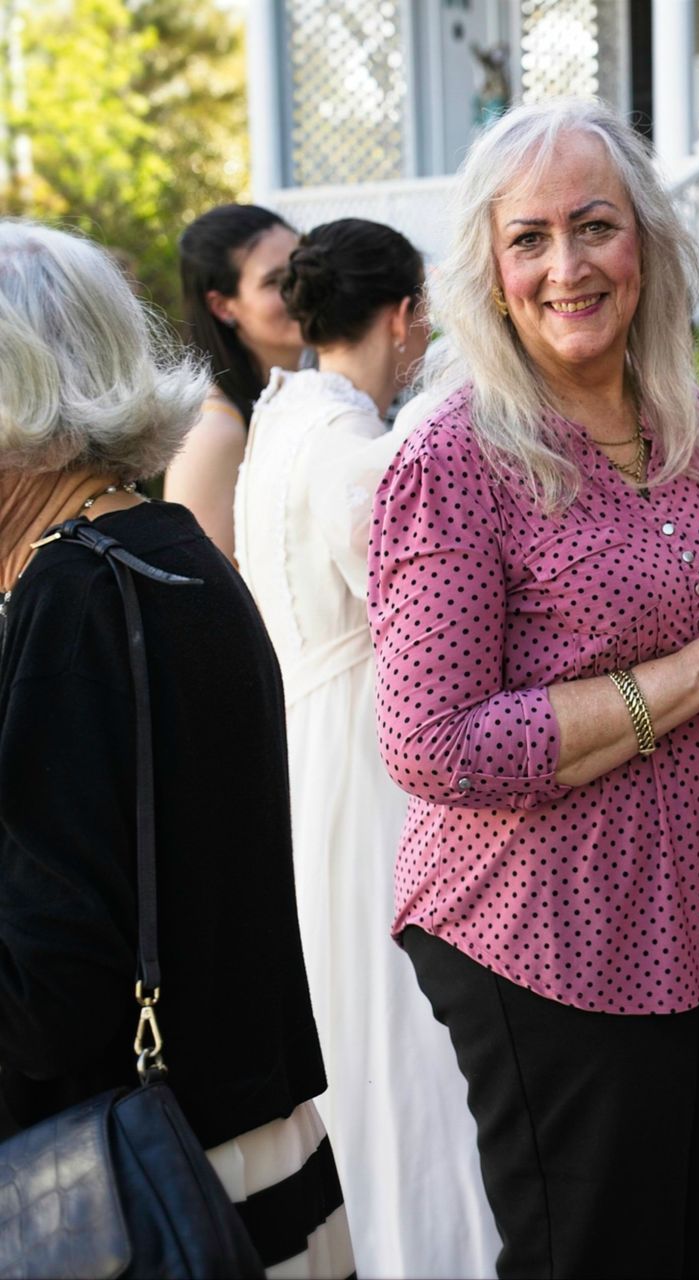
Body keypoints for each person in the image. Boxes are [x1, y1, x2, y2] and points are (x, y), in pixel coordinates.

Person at [366, 97, 699, 1278]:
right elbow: (434, 744)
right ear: (488, 267)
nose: (566, 266)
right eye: (528, 238)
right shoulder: (449, 458)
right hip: (551, 931)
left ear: (649, 243)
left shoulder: (683, 421)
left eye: (595, 226)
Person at [0, 219, 351, 1274]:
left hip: (132, 1195)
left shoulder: (71, 602)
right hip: (240, 1152)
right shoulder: (164, 553)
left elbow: (45, 991)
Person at [234, 218, 499, 1276]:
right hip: (366, 744)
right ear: (404, 315)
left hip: (305, 737)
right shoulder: (362, 448)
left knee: (354, 1004)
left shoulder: (280, 419)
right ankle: (425, 1246)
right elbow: (413, 605)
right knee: (403, 1023)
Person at [168, 204, 306, 560]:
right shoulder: (213, 432)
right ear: (223, 307)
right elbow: (203, 593)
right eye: (275, 281)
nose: (302, 288)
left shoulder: (301, 393)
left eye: (303, 266)